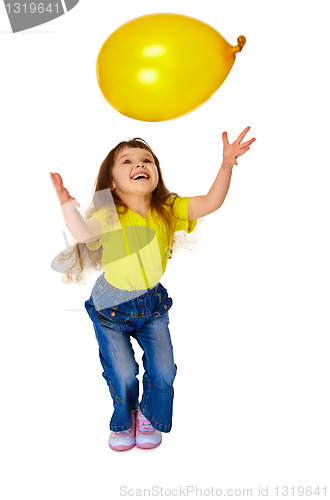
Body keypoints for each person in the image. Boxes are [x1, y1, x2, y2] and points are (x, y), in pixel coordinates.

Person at [49, 127, 256, 451]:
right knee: (123, 372)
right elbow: (83, 231)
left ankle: (149, 415)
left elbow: (211, 203)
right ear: (113, 183)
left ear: (156, 173)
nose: (139, 164)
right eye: (127, 161)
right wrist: (67, 207)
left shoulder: (169, 208)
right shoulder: (109, 214)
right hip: (111, 309)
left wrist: (226, 164)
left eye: (147, 160)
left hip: (151, 305)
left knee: (164, 369)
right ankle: (125, 417)